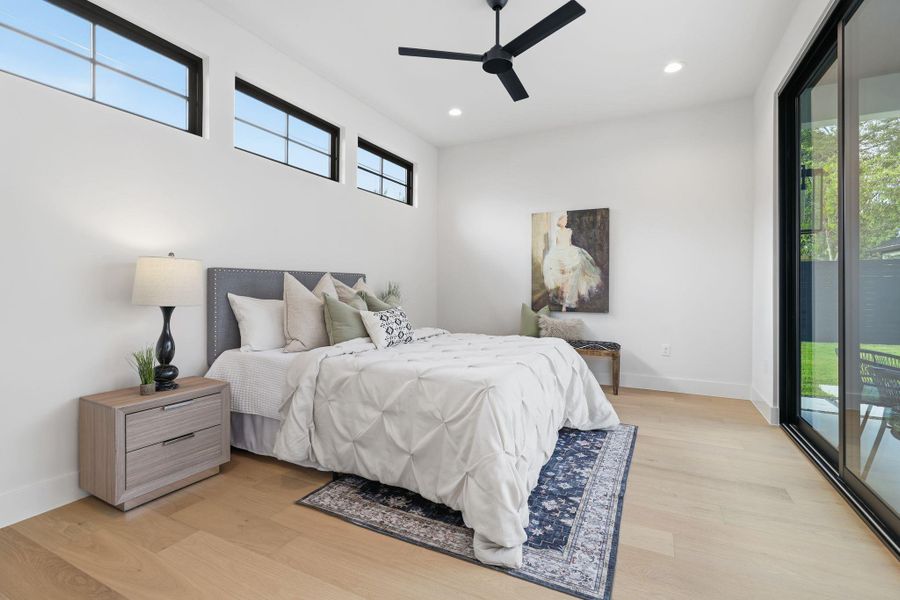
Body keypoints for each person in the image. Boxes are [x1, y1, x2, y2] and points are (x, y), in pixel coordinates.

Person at [542, 213, 603, 311]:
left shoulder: (570, 231)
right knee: (561, 278)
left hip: (569, 251)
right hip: (559, 252)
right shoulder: (557, 232)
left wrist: (568, 251)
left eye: (566, 220)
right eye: (563, 220)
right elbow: (557, 244)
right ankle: (563, 300)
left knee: (571, 277)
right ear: (560, 221)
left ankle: (568, 302)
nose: (565, 221)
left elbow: (570, 242)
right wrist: (558, 254)